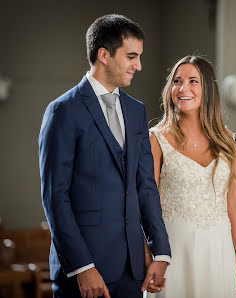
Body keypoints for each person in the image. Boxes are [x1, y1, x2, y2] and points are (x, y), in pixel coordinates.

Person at [38, 14, 171, 298]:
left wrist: (160, 252)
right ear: (104, 55)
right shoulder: (63, 111)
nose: (139, 65)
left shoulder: (137, 112)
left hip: (133, 270)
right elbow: (55, 196)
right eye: (132, 56)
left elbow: (146, 186)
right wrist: (82, 266)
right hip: (84, 272)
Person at [148, 55, 236, 297]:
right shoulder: (155, 140)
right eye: (177, 81)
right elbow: (146, 206)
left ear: (208, 89)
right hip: (173, 255)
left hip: (219, 253)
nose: (183, 88)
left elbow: (235, 203)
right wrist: (149, 257)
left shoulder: (229, 142)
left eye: (193, 81)